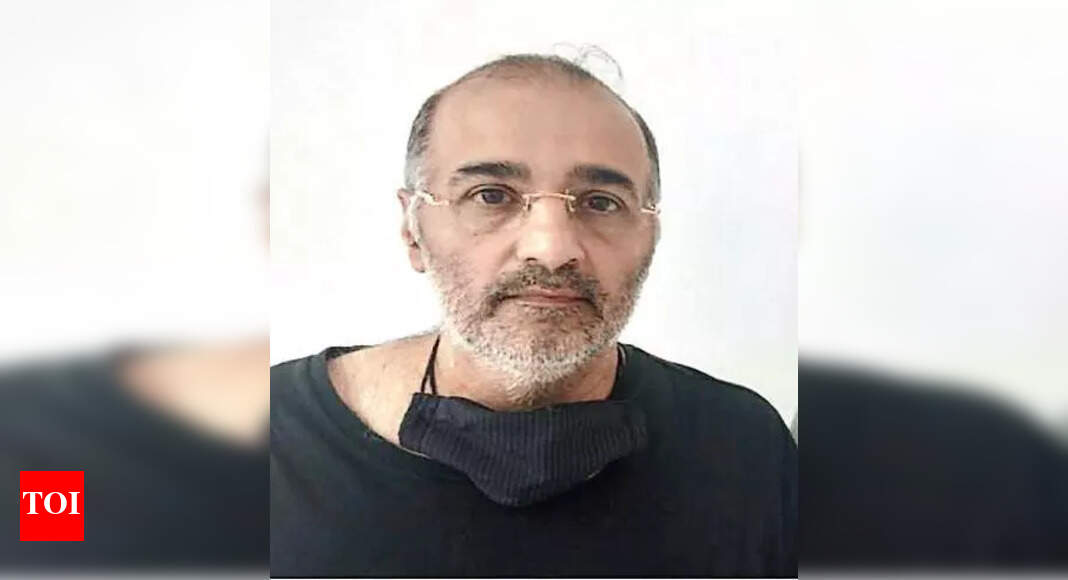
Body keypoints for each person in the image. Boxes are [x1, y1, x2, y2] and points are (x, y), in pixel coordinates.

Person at [270, 53, 797, 577]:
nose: (551, 249)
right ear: (413, 230)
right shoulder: (274, 442)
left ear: (651, 235)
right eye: (491, 195)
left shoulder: (745, 450)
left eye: (600, 202)